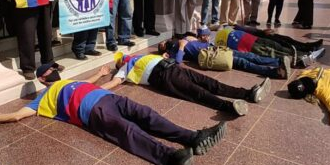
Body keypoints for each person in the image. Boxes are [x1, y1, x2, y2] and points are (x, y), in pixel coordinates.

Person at [0, 63, 229, 165]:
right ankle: (171, 157)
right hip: (94, 113)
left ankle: (193, 137)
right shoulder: (43, 98)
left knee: (149, 115)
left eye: (57, 69)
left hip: (110, 98)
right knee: (128, 131)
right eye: (53, 71)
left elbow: (87, 82)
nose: (57, 73)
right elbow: (16, 116)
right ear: (44, 78)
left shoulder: (69, 81)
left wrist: (102, 75)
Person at [101, 51, 271, 117]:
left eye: (123, 57)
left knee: (211, 82)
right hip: (163, 77)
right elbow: (114, 82)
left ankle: (248, 93)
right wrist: (95, 85)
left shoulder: (141, 56)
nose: (124, 58)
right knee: (197, 92)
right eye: (121, 59)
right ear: (119, 64)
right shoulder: (124, 69)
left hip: (175, 68)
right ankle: (228, 107)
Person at [158, 27, 291, 79]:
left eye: (162, 42)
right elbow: (178, 61)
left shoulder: (185, 37)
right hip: (213, 56)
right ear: (164, 48)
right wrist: (181, 47)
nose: (163, 42)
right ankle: (275, 72)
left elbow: (202, 38)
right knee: (244, 63)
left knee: (248, 56)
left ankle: (278, 61)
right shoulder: (175, 48)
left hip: (218, 49)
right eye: (161, 45)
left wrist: (201, 37)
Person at [215, 26, 325, 67]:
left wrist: (260, 31)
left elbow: (241, 28)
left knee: (279, 46)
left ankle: (305, 53)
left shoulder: (224, 27)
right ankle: (301, 59)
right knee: (274, 53)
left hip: (254, 39)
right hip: (249, 46)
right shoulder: (211, 43)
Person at [234, 24, 324, 53]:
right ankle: (305, 49)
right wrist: (261, 32)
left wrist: (262, 31)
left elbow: (249, 30)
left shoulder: (234, 27)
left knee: (286, 38)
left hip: (260, 34)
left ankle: (306, 46)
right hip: (257, 39)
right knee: (282, 43)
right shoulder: (232, 31)